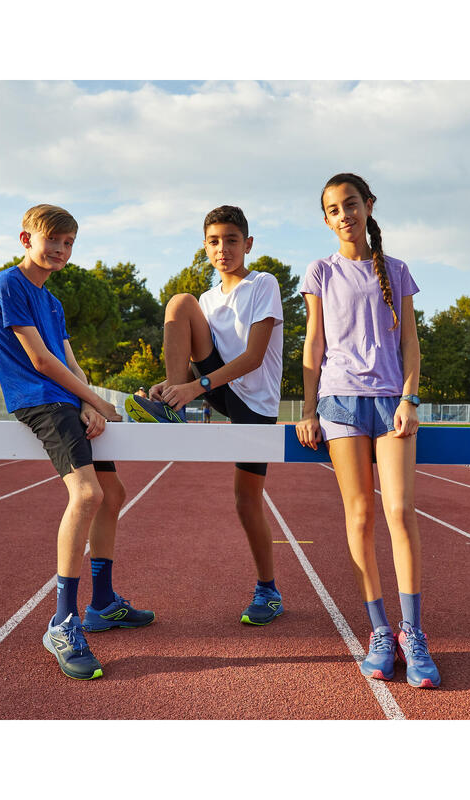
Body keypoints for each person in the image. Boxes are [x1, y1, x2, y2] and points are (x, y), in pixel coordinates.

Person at [0, 203, 154, 682]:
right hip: (39, 400)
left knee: (113, 493)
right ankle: (62, 621)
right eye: (51, 240)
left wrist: (92, 402)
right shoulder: (9, 285)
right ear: (26, 240)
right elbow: (39, 361)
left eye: (69, 242)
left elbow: (70, 362)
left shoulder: (53, 303)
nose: (59, 249)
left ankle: (102, 604)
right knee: (88, 494)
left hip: (67, 400)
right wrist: (91, 401)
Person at [295, 173, 440, 688]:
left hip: (390, 406)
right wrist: (308, 408)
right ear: (327, 219)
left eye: (350, 204)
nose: (344, 215)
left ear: (369, 206)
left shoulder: (396, 270)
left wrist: (409, 397)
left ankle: (413, 632)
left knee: (400, 512)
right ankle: (379, 631)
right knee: (359, 515)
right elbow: (313, 345)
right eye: (333, 209)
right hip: (338, 403)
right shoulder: (321, 272)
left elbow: (411, 345)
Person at [125, 205, 286, 625]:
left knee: (245, 499)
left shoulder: (263, 284)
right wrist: (178, 383)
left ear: (247, 244)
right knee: (181, 302)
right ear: (205, 248)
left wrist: (196, 387)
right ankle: (168, 405)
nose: (223, 249)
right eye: (214, 241)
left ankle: (268, 591)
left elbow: (253, 357)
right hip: (217, 389)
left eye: (232, 240)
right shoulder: (208, 299)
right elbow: (198, 345)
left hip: (255, 404)